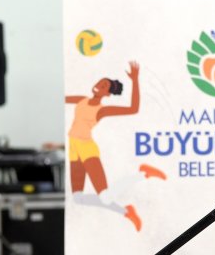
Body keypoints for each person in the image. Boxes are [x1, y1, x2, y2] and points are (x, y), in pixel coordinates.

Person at [65, 61, 165, 231]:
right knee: (78, 198)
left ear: (107, 93)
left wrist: (134, 80)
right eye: (100, 82)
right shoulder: (82, 100)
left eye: (104, 86)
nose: (99, 85)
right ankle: (127, 212)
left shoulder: (101, 110)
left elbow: (133, 108)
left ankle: (143, 173)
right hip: (73, 147)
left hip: (86, 147)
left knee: (105, 197)